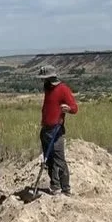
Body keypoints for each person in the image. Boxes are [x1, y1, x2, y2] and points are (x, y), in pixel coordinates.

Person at [37, 64, 78, 196]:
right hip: (46, 129)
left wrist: (69, 109)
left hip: (57, 130)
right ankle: (55, 186)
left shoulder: (63, 89)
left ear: (50, 78)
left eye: (44, 78)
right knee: (48, 160)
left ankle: (66, 189)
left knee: (59, 160)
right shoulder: (47, 89)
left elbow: (74, 108)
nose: (42, 81)